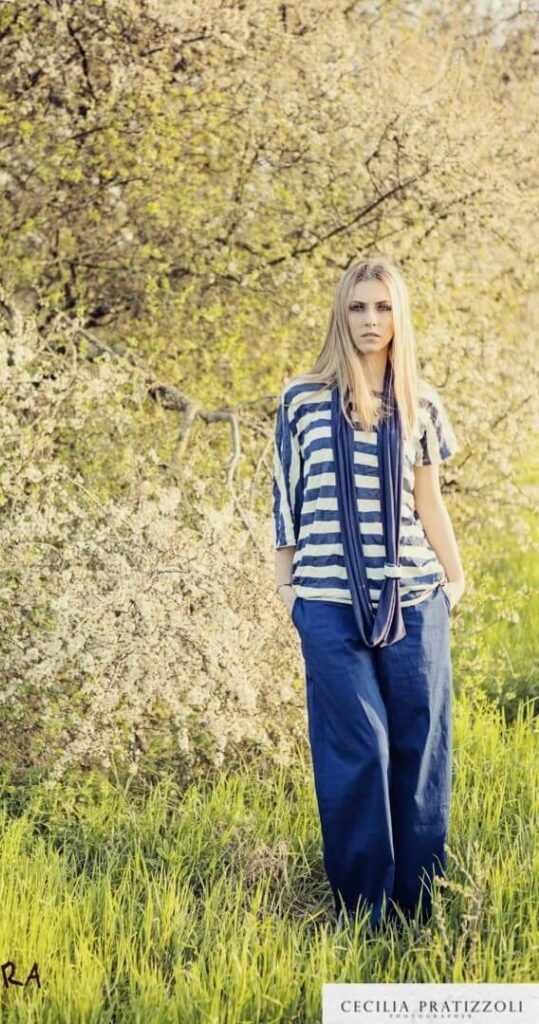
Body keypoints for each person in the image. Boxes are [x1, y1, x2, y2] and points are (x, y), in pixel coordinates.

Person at [272, 255, 465, 931]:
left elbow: (429, 501)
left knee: (419, 746)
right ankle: (364, 913)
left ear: (398, 316)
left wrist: (454, 577)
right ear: (340, 314)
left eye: (382, 307)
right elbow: (285, 499)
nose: (369, 320)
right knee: (359, 749)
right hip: (326, 602)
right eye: (357, 306)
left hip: (414, 595)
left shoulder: (421, 404)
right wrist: (286, 586)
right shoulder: (301, 400)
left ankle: (418, 908)